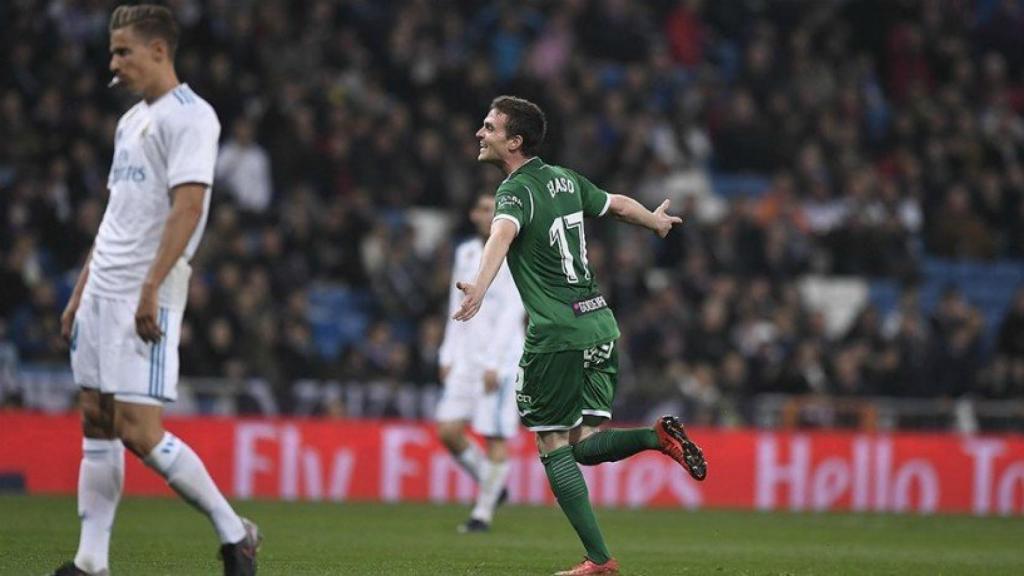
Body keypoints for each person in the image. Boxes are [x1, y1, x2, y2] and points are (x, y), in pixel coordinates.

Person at [454, 96, 707, 576]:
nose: (479, 133)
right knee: (584, 443)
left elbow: (500, 236)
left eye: (489, 127)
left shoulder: (514, 192)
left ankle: (599, 560)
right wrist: (654, 221)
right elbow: (617, 205)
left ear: (514, 141)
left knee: (552, 445)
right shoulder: (565, 179)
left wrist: (479, 289)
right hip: (599, 324)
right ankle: (655, 437)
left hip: (557, 334)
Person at [52, 5, 259, 576]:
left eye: (123, 52)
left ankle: (235, 532)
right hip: (103, 286)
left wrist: (149, 287)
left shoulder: (193, 117)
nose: (114, 64)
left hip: (146, 288)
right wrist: (81, 288)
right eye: (112, 52)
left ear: (159, 51)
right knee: (96, 418)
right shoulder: (130, 121)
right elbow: (116, 214)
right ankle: (90, 562)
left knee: (139, 431)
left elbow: (187, 208)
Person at [437, 193, 527, 533]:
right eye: (480, 208)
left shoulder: (515, 251)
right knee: (448, 430)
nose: (484, 214)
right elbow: (454, 302)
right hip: (466, 355)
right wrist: (447, 353)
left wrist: (494, 362)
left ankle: (482, 514)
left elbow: (513, 309)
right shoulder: (465, 252)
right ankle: (494, 486)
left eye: (491, 209)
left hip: (500, 359)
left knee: (495, 435)